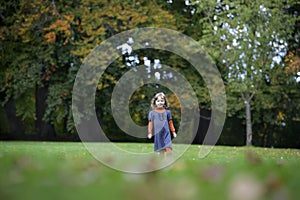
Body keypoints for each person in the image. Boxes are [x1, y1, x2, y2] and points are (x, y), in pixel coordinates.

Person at [147, 92, 177, 157]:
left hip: (166, 132)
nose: (160, 102)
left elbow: (170, 122)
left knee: (168, 146)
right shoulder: (152, 113)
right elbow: (150, 123)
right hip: (158, 133)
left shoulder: (167, 112)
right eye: (158, 101)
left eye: (162, 101)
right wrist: (150, 133)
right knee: (161, 149)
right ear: (155, 102)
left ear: (164, 102)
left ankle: (169, 158)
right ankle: (162, 160)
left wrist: (173, 131)